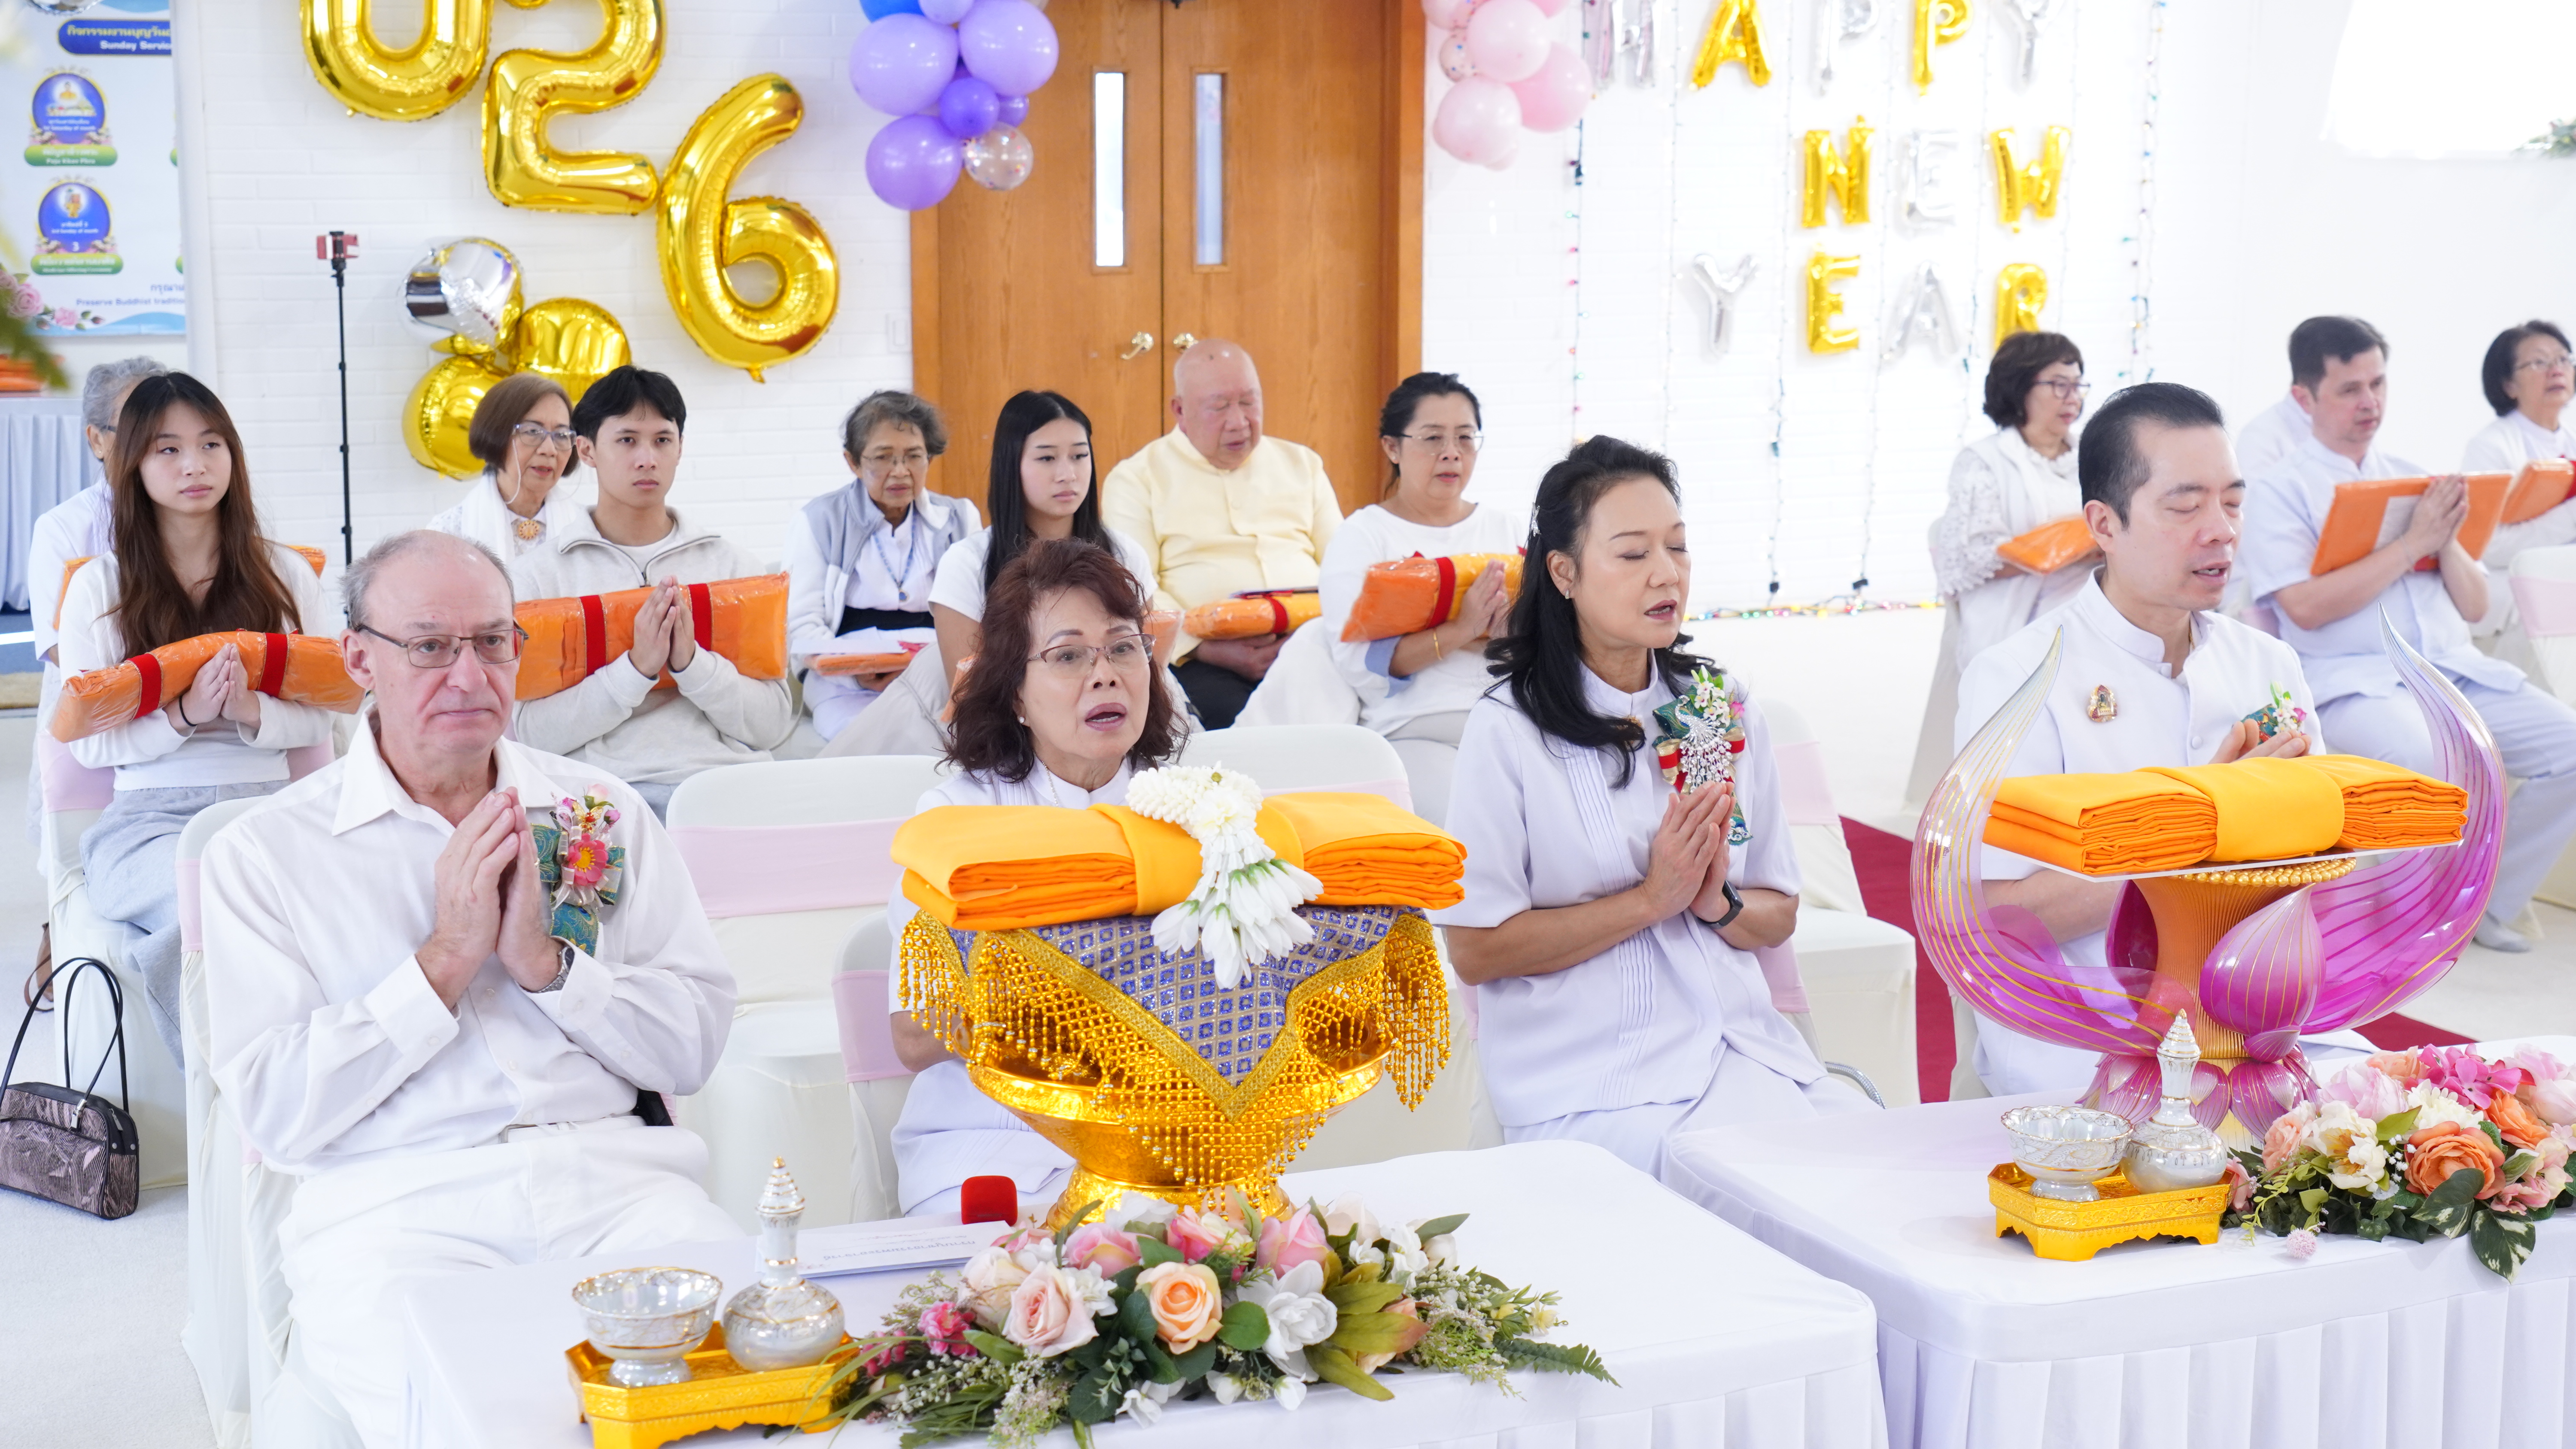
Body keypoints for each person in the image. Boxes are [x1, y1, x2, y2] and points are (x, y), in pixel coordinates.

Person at [204, 530, 736, 1447]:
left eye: (493, 641)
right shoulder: (265, 853)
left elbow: (692, 1040)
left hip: (620, 1187)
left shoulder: (595, 812)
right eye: (429, 644)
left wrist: (551, 971)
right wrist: (443, 962)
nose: (468, 673)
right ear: (360, 657)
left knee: (743, 1405)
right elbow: (277, 1111)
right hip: (395, 1207)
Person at [1434, 436, 1860, 1178]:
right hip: (1593, 1082)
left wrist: (1713, 903)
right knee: (1755, 1185)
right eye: (1633, 554)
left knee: (1852, 1171)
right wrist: (1650, 900)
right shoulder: (1507, 729)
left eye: (1679, 548)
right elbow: (1476, 949)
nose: (1667, 574)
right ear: (1564, 572)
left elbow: (1777, 908)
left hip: (1738, 1048)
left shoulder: (1711, 708)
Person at [1955, 382, 2351, 1095]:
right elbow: (2004, 915)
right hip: (2090, 1025)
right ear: (2104, 523)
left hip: (2263, 1007)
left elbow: (2322, 858)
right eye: (2185, 504)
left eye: (2232, 502)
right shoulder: (2017, 680)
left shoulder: (2266, 662)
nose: (2222, 530)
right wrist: (2206, 828)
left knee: (2386, 1125)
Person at [2241, 317, 2576, 953]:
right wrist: (2412, 543)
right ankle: (2411, 924)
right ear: (2305, 398)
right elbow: (2304, 610)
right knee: (2427, 758)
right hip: (2357, 683)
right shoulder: (2280, 491)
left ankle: (2484, 904)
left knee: (2571, 747)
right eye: (2349, 390)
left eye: (2379, 383)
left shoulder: (2416, 475)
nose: (2370, 403)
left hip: (2454, 668)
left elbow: (2476, 607)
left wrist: (2444, 538)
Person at [884, 537, 1185, 1218]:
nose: (1104, 674)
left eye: (1123, 647)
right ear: (1016, 693)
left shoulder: (1194, 812)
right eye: (1069, 655)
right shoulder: (955, 819)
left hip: (1155, 1135)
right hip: (990, 1140)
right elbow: (912, 1035)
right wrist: (1080, 981)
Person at [58, 373, 333, 1067]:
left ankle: (329, 1082)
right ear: (133, 466)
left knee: (336, 908)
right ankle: (235, 1094)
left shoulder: (285, 576)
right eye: (168, 450)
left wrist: (246, 711)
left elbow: (324, 715)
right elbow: (89, 749)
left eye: (211, 445)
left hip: (270, 808)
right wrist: (182, 715)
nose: (194, 466)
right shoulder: (99, 586)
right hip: (147, 823)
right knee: (209, 904)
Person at [509, 365, 796, 817]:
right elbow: (532, 734)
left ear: (680, 448)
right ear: (586, 450)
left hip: (725, 790)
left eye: (663, 440)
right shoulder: (539, 580)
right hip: (602, 803)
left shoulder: (735, 568)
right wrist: (637, 669)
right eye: (627, 440)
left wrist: (692, 665)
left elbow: (774, 724)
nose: (647, 458)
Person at [1313, 373, 1520, 827]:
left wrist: (1501, 634)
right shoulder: (1364, 536)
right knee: (1471, 828)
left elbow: (1551, 636)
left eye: (1466, 438)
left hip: (1517, 722)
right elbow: (1358, 660)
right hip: (1417, 729)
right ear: (1393, 448)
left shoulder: (1508, 530)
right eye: (1432, 439)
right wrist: (1462, 630)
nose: (1451, 453)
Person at [1103, 339, 1341, 728]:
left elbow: (1343, 566)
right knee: (1233, 736)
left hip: (1313, 645)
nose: (1239, 422)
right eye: (1219, 407)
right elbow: (1136, 588)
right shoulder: (1136, 479)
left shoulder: (1303, 465)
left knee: (1345, 723)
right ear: (1179, 411)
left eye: (1250, 402)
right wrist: (1206, 650)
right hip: (1203, 660)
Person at [24, 355, 164, 1006]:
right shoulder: (63, 528)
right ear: (95, 439)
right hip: (97, 714)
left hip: (181, 717)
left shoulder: (196, 513)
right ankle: (62, 935)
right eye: (133, 423)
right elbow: (61, 651)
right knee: (68, 848)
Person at [1911, 332, 2090, 802]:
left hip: (2089, 600)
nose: (2073, 398)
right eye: (2059, 385)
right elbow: (1970, 555)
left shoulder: (2092, 456)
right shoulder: (1984, 461)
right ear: (2020, 388)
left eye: (2078, 385)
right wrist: (2065, 550)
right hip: (2014, 612)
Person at [781, 391, 974, 741]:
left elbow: (978, 615)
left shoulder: (959, 519)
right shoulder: (818, 520)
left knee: (951, 740)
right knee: (859, 739)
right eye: (883, 458)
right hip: (842, 681)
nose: (900, 472)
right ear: (853, 462)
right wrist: (855, 672)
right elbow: (801, 623)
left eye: (914, 456)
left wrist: (922, 672)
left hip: (936, 673)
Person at [2460, 321, 2576, 646]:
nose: (2556, 370)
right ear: (2509, 384)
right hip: (2514, 590)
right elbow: (2489, 546)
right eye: (2539, 362)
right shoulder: (2490, 448)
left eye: (2563, 359)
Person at [426, 371, 584, 562]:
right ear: (497, 434)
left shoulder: (585, 529)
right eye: (533, 431)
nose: (549, 450)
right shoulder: (448, 535)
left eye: (561, 435)